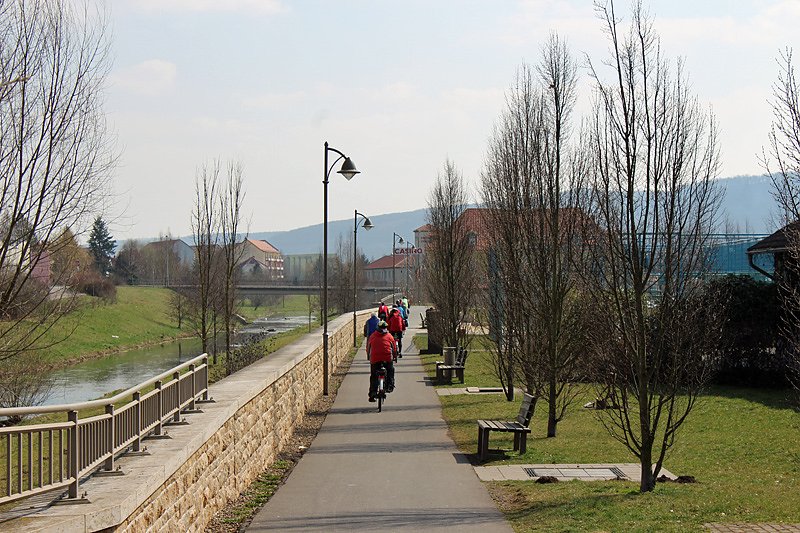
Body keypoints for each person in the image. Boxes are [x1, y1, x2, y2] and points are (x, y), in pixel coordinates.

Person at [367, 320, 396, 402]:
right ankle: (390, 385)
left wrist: (369, 357)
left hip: (375, 358)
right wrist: (394, 356)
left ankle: (373, 392)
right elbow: (394, 348)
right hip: (387, 358)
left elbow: (368, 348)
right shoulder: (389, 336)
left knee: (374, 375)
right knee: (391, 370)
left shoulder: (373, 336)